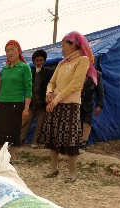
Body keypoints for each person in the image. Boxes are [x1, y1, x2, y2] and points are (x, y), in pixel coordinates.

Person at [40, 32, 95, 183]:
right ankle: (53, 168)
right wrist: (49, 93)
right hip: (55, 103)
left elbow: (75, 85)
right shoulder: (61, 63)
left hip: (70, 105)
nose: (62, 49)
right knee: (53, 136)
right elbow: (52, 82)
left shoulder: (83, 60)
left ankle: (72, 173)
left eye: (64, 46)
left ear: (73, 45)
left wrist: (55, 100)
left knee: (70, 139)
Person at [0, 40, 32, 163]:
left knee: (12, 135)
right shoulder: (4, 69)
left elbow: (28, 89)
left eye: (12, 49)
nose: (10, 53)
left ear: (19, 51)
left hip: (16, 105)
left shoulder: (25, 68)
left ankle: (10, 162)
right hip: (2, 104)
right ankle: (1, 161)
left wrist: (26, 108)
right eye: (7, 51)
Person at [20, 49, 54, 148]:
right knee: (25, 122)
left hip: (42, 104)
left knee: (40, 125)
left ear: (44, 61)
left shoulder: (49, 72)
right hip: (31, 103)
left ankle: (35, 142)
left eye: (41, 60)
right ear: (34, 61)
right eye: (37, 60)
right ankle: (20, 140)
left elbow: (52, 85)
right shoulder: (30, 72)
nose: (39, 62)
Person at [79, 70, 104, 151]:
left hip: (89, 104)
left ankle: (83, 143)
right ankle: (76, 142)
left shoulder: (97, 75)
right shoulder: (77, 71)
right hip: (76, 103)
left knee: (87, 123)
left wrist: (99, 105)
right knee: (77, 123)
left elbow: (100, 92)